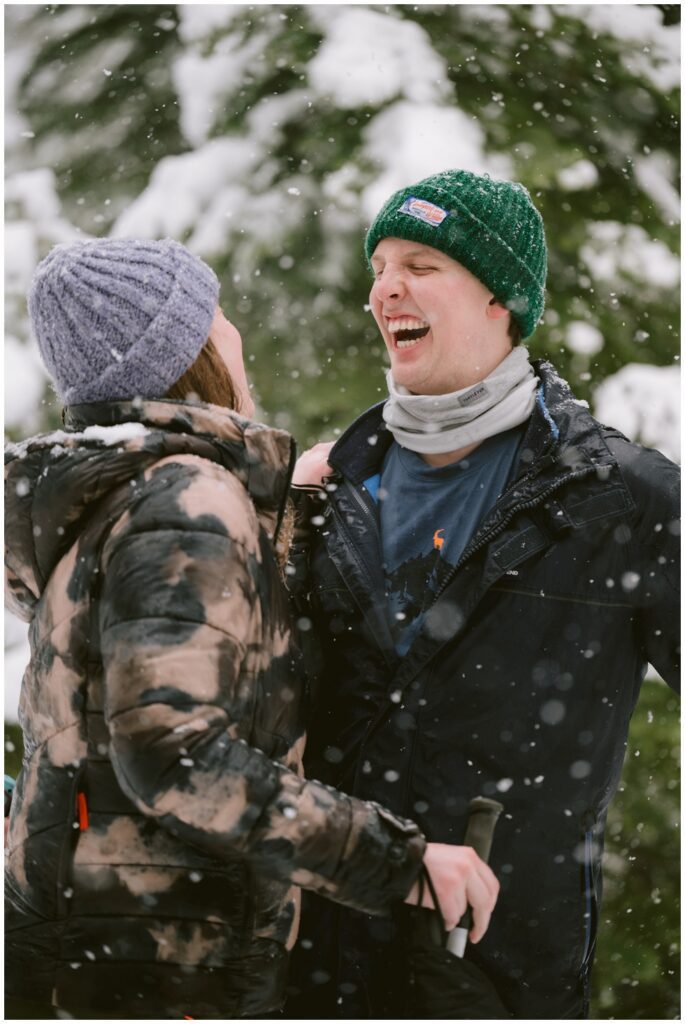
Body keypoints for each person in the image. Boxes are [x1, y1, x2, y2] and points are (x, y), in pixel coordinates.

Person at [4, 237, 499, 1019]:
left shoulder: (119, 495)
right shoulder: (182, 500)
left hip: (97, 943)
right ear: (191, 349)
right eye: (219, 314)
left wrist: (270, 519)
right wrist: (396, 861)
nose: (235, 332)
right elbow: (172, 752)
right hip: (162, 969)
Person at [286, 169, 680, 1019]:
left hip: (502, 972)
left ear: (502, 296)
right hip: (317, 967)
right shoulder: (325, 490)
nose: (386, 286)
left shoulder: (620, 499)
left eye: (421, 264)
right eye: (381, 264)